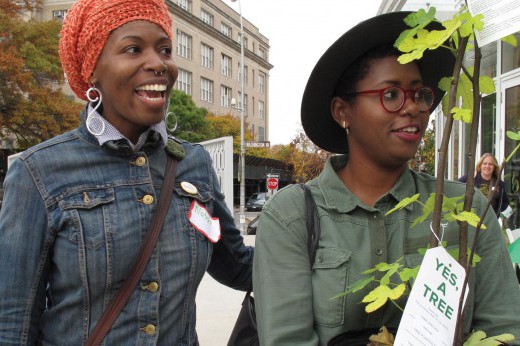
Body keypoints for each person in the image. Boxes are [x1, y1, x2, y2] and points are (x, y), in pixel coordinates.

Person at [252, 11, 520, 345]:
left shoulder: (464, 210)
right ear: (342, 111)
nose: (413, 108)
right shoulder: (291, 217)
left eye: (420, 94)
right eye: (390, 94)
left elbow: (504, 331)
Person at [0, 0, 253, 344]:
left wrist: (317, 232)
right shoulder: (38, 173)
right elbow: (13, 322)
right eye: (133, 49)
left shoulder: (194, 163)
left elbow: (238, 267)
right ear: (92, 70)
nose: (158, 63)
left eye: (165, 49)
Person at [459, 153, 509, 217]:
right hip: (470, 220)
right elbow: (456, 190)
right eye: (485, 163)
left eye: (490, 164)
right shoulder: (469, 178)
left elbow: (504, 203)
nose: (487, 166)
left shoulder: (499, 183)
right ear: (480, 165)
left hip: (490, 221)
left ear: (494, 167)